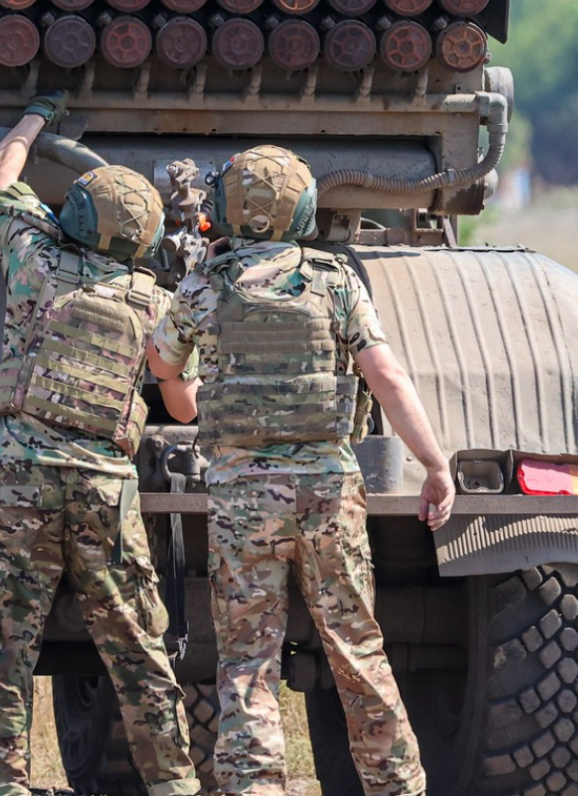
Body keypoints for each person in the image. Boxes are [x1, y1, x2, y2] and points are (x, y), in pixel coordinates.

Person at [146, 144, 456, 796]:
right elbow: (387, 376)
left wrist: (190, 400)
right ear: (304, 207)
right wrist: (433, 464)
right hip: (328, 497)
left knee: (247, 665)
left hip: (242, 503)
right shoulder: (335, 280)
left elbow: (164, 367)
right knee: (357, 650)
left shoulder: (206, 284)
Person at [0, 91, 200, 796]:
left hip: (20, 479)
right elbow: (184, 408)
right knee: (137, 650)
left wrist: (37, 115)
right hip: (106, 485)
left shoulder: (34, 261)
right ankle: (176, 787)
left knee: (5, 646)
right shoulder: (157, 303)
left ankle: (4, 785)